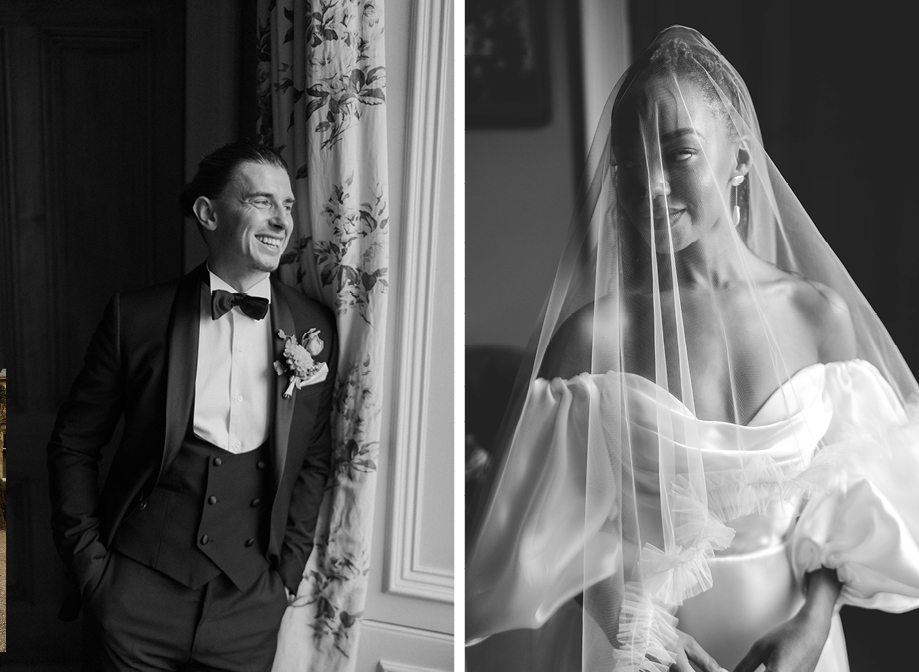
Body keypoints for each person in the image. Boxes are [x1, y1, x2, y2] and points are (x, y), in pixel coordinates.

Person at [466, 27, 919, 672]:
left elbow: (845, 502)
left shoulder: (821, 319)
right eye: (628, 162)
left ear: (740, 157)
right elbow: (540, 537)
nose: (649, 185)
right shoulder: (593, 341)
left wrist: (814, 627)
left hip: (796, 650)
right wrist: (640, 633)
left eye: (678, 153)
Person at [47, 140, 337, 670]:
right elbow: (73, 442)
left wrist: (286, 576)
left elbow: (314, 459)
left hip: (250, 608)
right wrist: (92, 569)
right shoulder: (135, 318)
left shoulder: (316, 328)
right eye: (261, 202)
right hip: (133, 600)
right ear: (208, 213)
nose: (281, 221)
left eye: (288, 205)